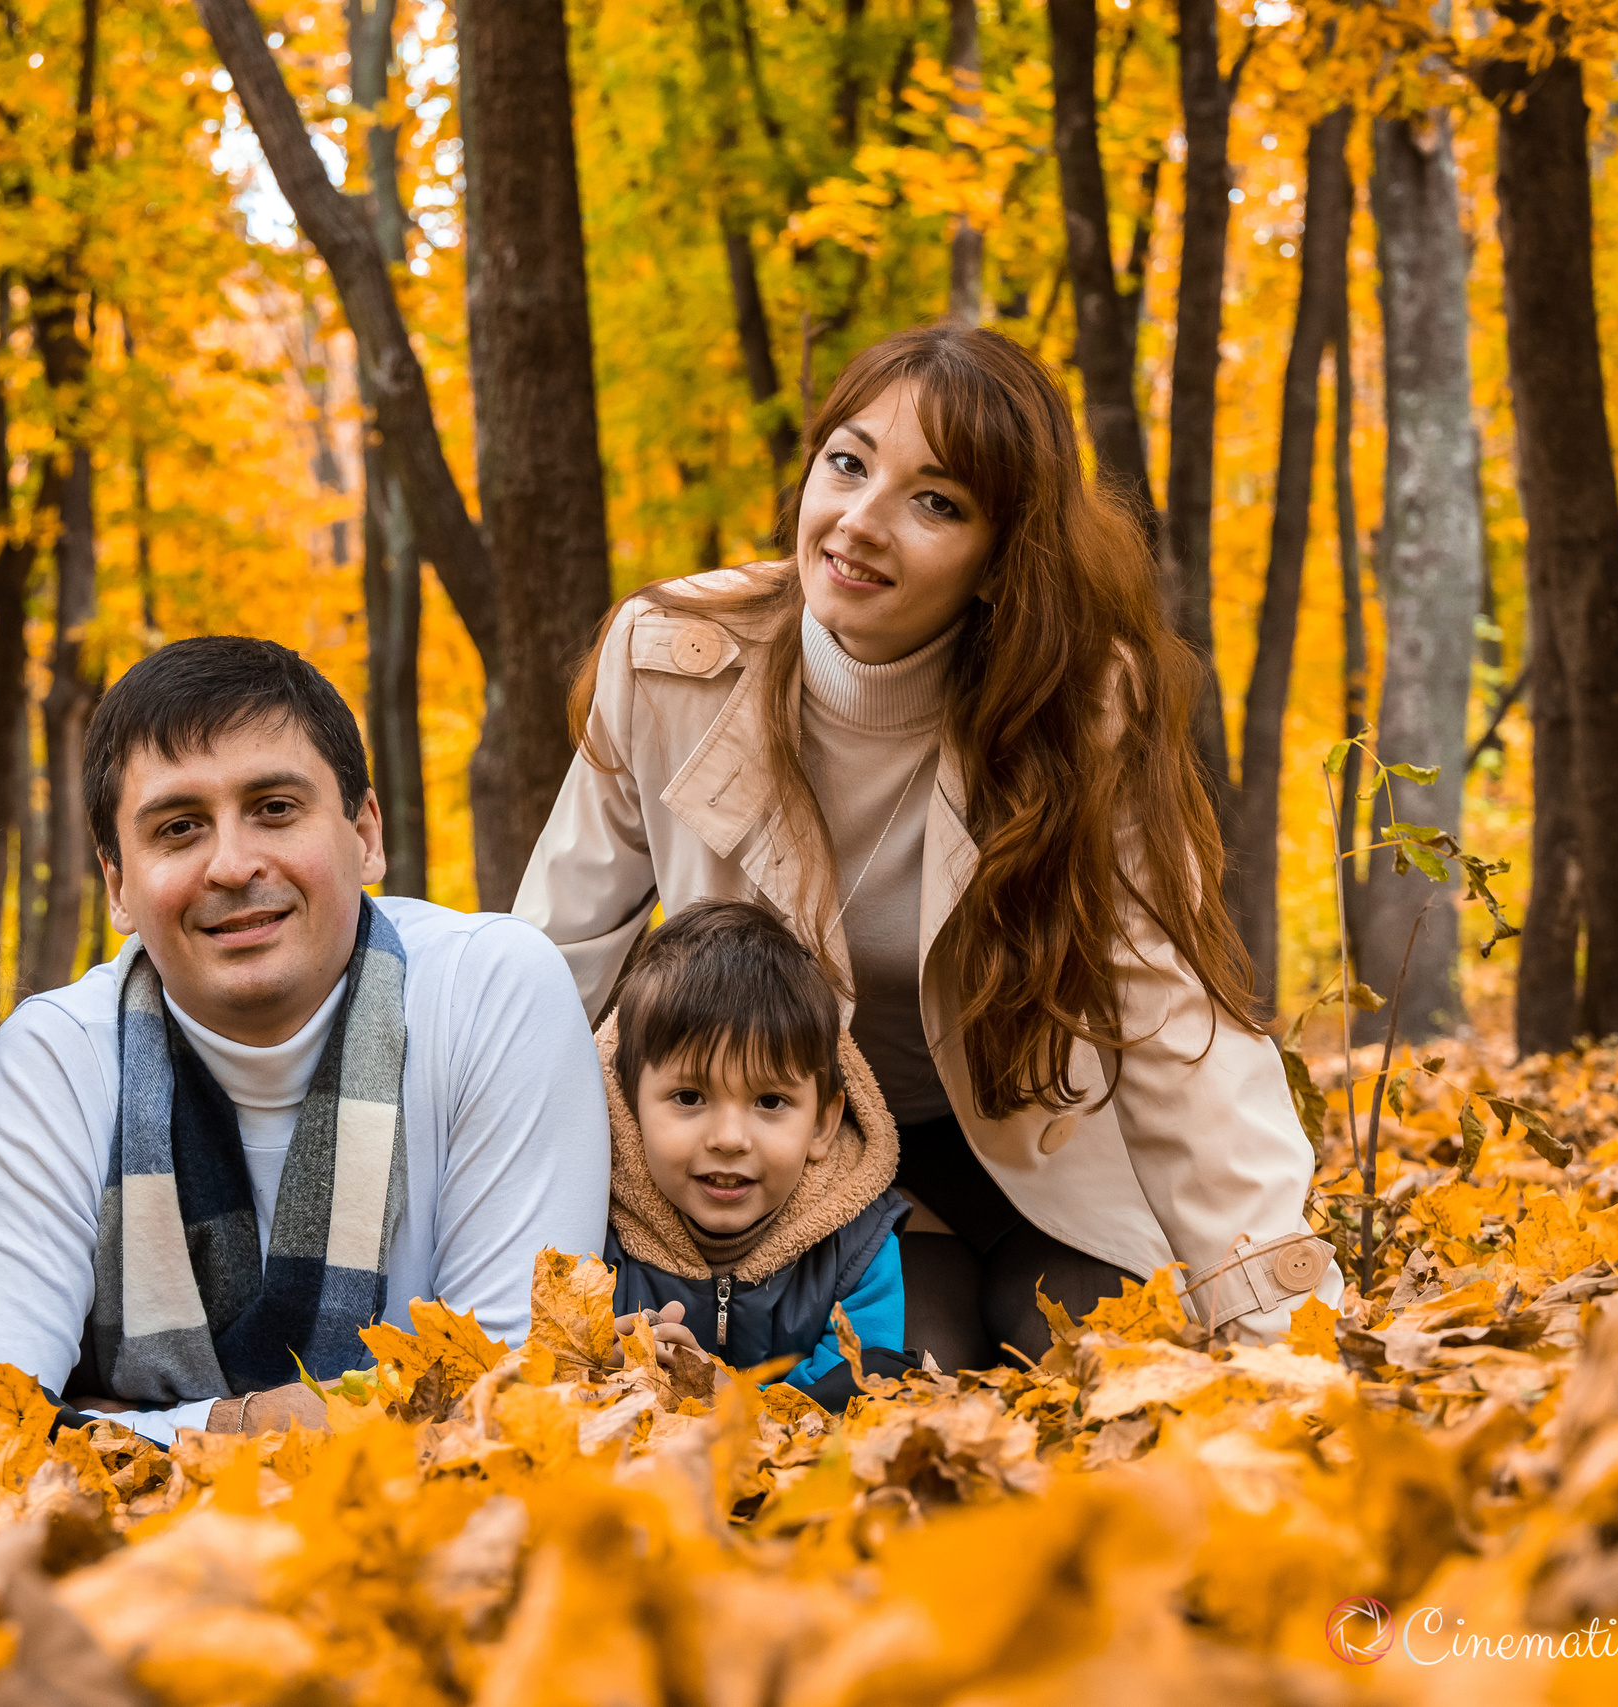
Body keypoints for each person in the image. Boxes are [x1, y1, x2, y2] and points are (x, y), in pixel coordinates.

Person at [517, 322, 1342, 1370]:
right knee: (906, 1381)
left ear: (1002, 560)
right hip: (809, 1157)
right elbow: (549, 968)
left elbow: (1177, 1029)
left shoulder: (1078, 707)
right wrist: (471, 1270)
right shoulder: (674, 661)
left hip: (1038, 1142)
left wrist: (1286, 1327)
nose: (860, 523)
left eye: (935, 502)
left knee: (1096, 1358)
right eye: (847, 464)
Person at [0, 636, 608, 1443]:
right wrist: (273, 1420)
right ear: (117, 884)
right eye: (179, 828)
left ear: (365, 834)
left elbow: (516, 1394)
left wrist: (156, 1427)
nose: (232, 862)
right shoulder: (54, 1061)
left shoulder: (491, 991)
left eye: (275, 809)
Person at [600, 901, 914, 1408]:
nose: (729, 1138)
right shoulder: (594, 1232)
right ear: (630, 1106)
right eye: (689, 1097)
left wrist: (737, 1402)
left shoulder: (855, 1247)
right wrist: (597, 1366)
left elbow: (867, 1384)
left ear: (822, 1124)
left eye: (769, 1102)